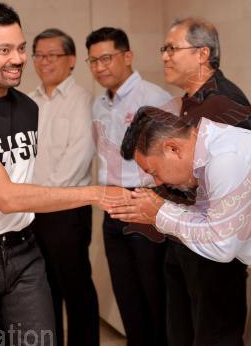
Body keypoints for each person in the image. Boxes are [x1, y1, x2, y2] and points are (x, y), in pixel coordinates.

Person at [0, 2, 127, 346]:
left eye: (21, 48)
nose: (19, 59)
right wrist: (96, 193)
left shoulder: (27, 108)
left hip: (23, 250)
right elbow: (6, 196)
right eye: (4, 50)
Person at [108, 106, 251, 346]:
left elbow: (221, 245)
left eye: (154, 172)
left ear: (173, 148)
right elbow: (209, 222)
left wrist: (160, 214)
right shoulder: (207, 156)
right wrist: (159, 214)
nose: (157, 182)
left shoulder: (227, 157)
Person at [155, 17, 251, 346]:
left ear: (202, 54)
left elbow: (230, 182)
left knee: (214, 336)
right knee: (180, 333)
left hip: (213, 246)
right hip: (183, 237)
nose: (165, 56)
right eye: (164, 49)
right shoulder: (190, 100)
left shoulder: (225, 103)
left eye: (172, 48)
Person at [86, 27, 172, 346]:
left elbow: (172, 157)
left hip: (144, 204)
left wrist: (156, 199)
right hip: (112, 206)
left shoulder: (154, 98)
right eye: (93, 61)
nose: (100, 67)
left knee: (155, 295)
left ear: (127, 56)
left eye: (106, 58)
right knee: (127, 295)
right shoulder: (98, 104)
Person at [29, 28, 99, 346]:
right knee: (44, 290)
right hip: (32, 210)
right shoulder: (28, 102)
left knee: (76, 287)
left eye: (52, 55)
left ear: (71, 60)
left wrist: (41, 197)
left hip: (67, 211)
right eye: (39, 55)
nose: (45, 61)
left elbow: (78, 158)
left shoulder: (82, 100)